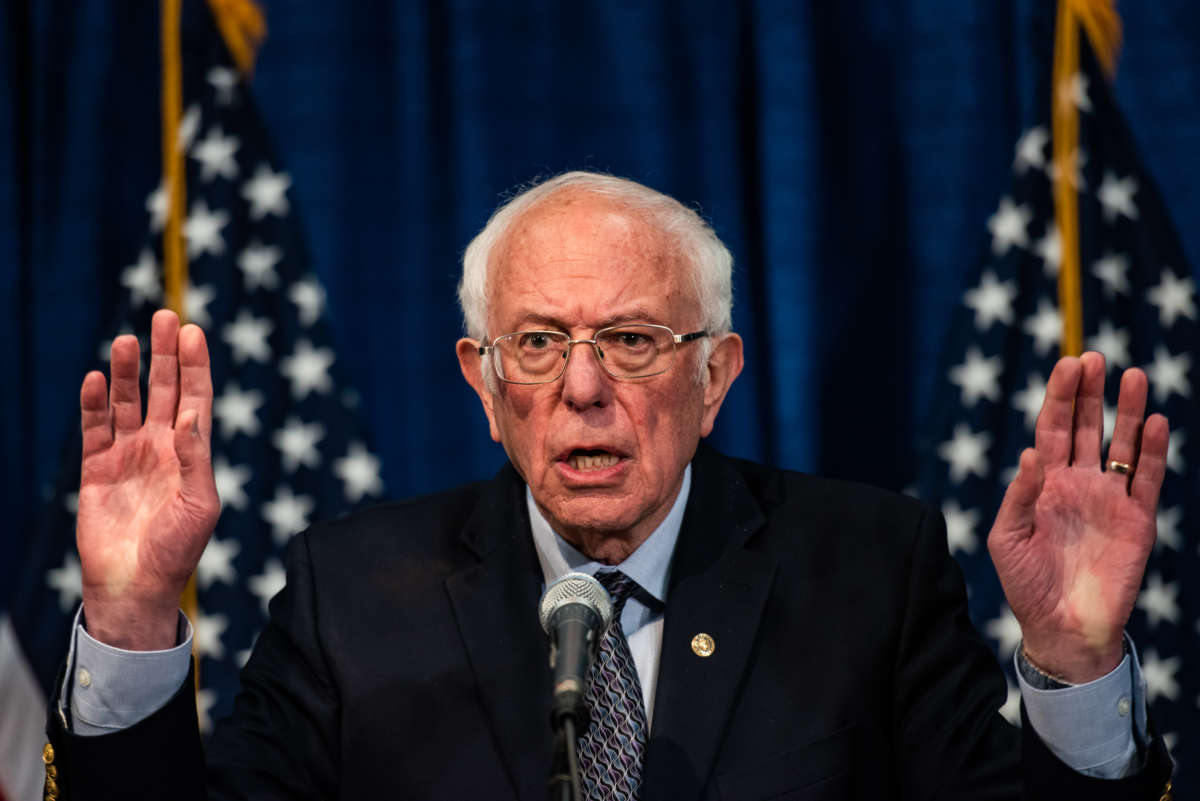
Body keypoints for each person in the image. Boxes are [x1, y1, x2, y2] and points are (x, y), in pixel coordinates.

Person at [45, 172, 1173, 800]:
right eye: (535, 344)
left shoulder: (866, 572)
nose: (583, 387)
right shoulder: (352, 596)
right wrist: (136, 619)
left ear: (714, 375)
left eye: (633, 340)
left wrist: (1074, 666)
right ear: (483, 385)